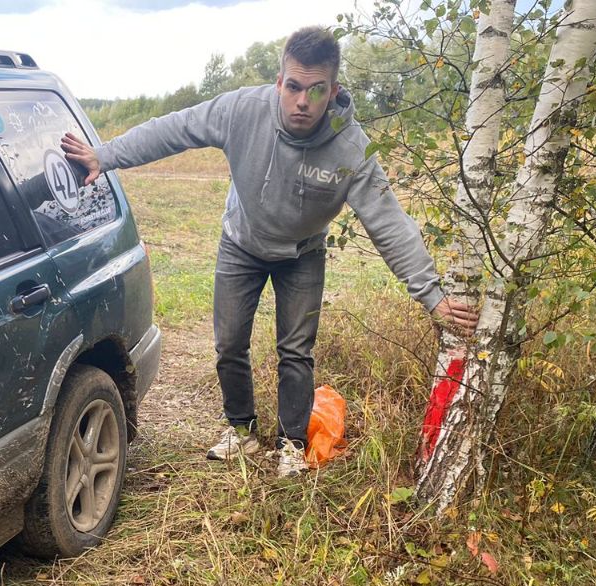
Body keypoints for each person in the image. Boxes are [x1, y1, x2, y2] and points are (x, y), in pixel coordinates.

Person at [62, 26, 478, 478]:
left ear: (333, 90)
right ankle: (241, 431)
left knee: (296, 351)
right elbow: (174, 129)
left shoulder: (351, 147)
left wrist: (432, 297)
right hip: (241, 243)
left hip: (302, 254)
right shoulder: (242, 109)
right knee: (229, 343)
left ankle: (291, 444)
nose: (302, 101)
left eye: (316, 90)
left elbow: (389, 223)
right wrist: (106, 155)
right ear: (279, 83)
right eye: (294, 87)